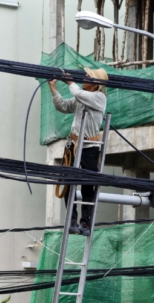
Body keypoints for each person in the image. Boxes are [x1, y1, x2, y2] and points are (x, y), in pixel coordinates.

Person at [49, 67, 108, 236]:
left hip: (90, 146)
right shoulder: (81, 96)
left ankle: (85, 222)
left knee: (88, 185)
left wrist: (70, 82)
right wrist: (53, 88)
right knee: (69, 183)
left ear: (96, 84)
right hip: (73, 144)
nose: (84, 78)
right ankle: (72, 220)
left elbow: (77, 93)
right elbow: (63, 106)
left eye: (88, 77)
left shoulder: (99, 97)